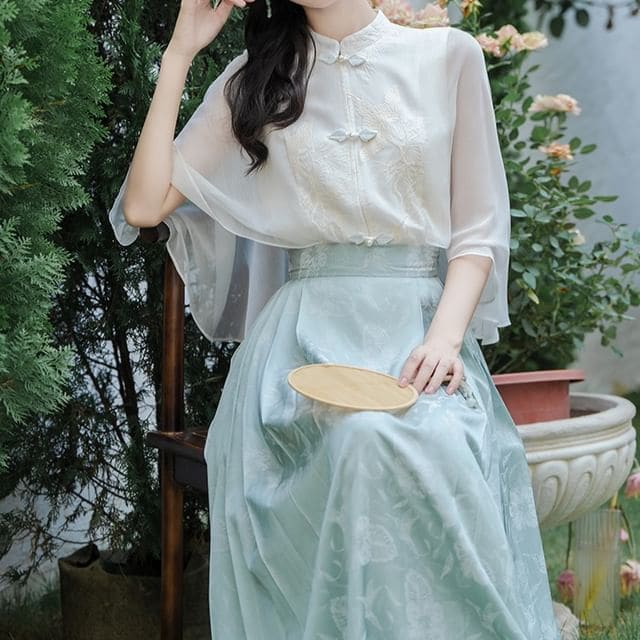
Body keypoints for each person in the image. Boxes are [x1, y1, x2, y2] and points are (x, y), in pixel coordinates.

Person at [109, 0, 562, 637]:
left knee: (421, 441)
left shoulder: (450, 58)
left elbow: (477, 232)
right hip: (299, 353)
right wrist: (180, 53)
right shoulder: (257, 80)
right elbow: (142, 205)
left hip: (420, 336)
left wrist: (445, 338)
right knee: (359, 441)